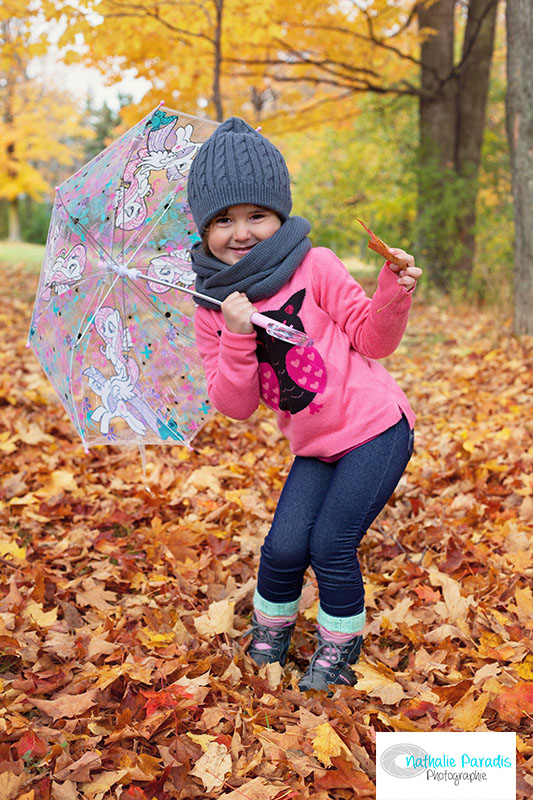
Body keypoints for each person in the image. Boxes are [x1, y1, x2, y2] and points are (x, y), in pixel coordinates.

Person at [186, 117, 422, 692]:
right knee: (285, 545)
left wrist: (393, 291)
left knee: (329, 543)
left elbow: (373, 340)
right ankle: (270, 637)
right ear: (204, 228)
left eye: (255, 216)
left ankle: (338, 652)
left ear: (280, 215)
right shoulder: (210, 304)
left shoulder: (315, 266)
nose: (240, 232)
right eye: (223, 219)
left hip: (375, 430)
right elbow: (234, 403)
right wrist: (238, 333)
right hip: (315, 446)